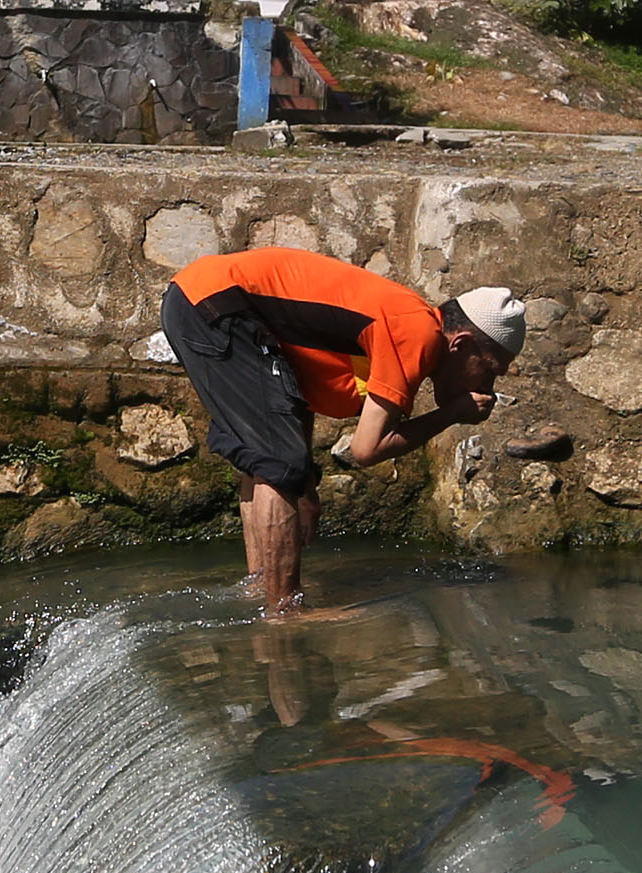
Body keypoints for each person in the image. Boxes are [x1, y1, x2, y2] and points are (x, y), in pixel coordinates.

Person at [157, 244, 526, 612]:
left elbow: (293, 391)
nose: (488, 388)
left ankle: (262, 589)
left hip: (199, 300)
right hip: (216, 305)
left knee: (272, 463)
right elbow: (367, 448)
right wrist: (450, 415)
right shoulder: (417, 334)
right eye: (491, 371)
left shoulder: (404, 319)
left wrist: (304, 486)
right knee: (276, 463)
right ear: (461, 345)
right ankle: (284, 611)